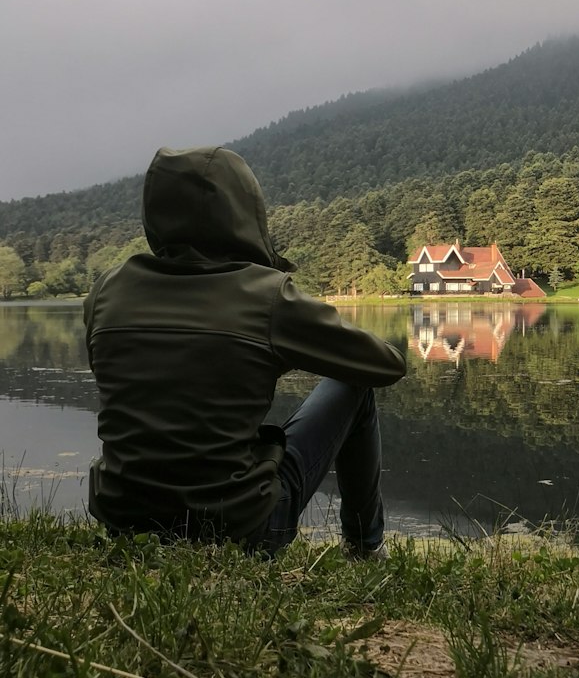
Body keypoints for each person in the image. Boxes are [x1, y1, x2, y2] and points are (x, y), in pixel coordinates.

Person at [84, 145, 406, 557]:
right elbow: (385, 365)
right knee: (352, 384)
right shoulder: (266, 295)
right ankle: (365, 547)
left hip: (122, 522)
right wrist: (283, 350)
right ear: (245, 211)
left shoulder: (106, 290)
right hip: (240, 529)